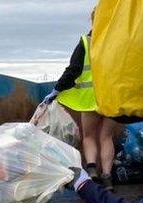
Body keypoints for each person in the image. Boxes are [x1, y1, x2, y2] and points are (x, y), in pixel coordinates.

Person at [44, 8, 120, 182]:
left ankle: (92, 170)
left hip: (88, 100)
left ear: (93, 20)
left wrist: (57, 90)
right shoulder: (117, 41)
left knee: (89, 136)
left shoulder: (86, 42)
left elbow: (73, 70)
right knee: (106, 137)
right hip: (112, 99)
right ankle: (107, 175)